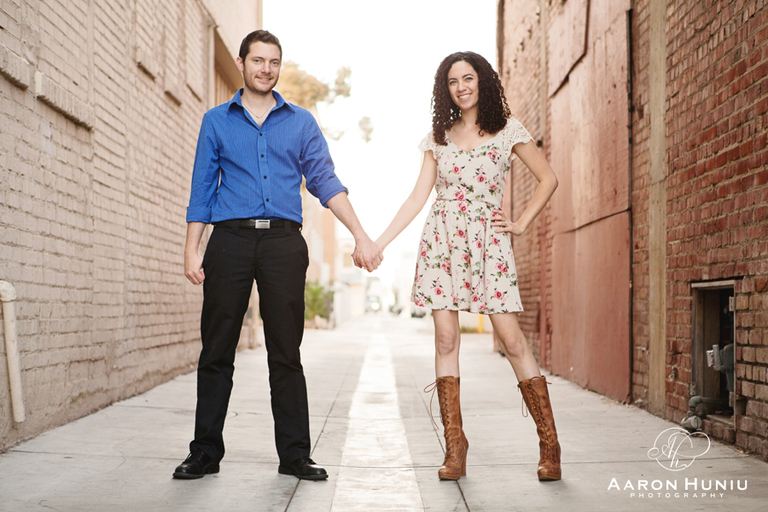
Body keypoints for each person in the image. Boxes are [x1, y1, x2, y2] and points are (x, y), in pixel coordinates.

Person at [175, 29, 382, 481]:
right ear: (242, 63)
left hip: (284, 244)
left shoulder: (301, 123)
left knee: (286, 352)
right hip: (229, 241)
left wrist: (361, 235)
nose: (265, 69)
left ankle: (294, 455)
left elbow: (326, 181)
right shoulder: (216, 121)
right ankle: (204, 452)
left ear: (278, 66)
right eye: (258, 60)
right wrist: (192, 249)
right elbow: (202, 189)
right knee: (217, 349)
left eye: (273, 62)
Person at [373, 51, 561, 481]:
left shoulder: (508, 130)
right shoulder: (437, 137)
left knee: (512, 340)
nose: (461, 87)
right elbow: (417, 198)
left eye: (469, 78)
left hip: (489, 244)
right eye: (453, 81)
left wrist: (520, 224)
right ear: (446, 90)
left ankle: (549, 444)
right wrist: (380, 243)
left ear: (483, 82)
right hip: (441, 242)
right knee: (445, 339)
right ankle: (454, 446)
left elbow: (548, 179)